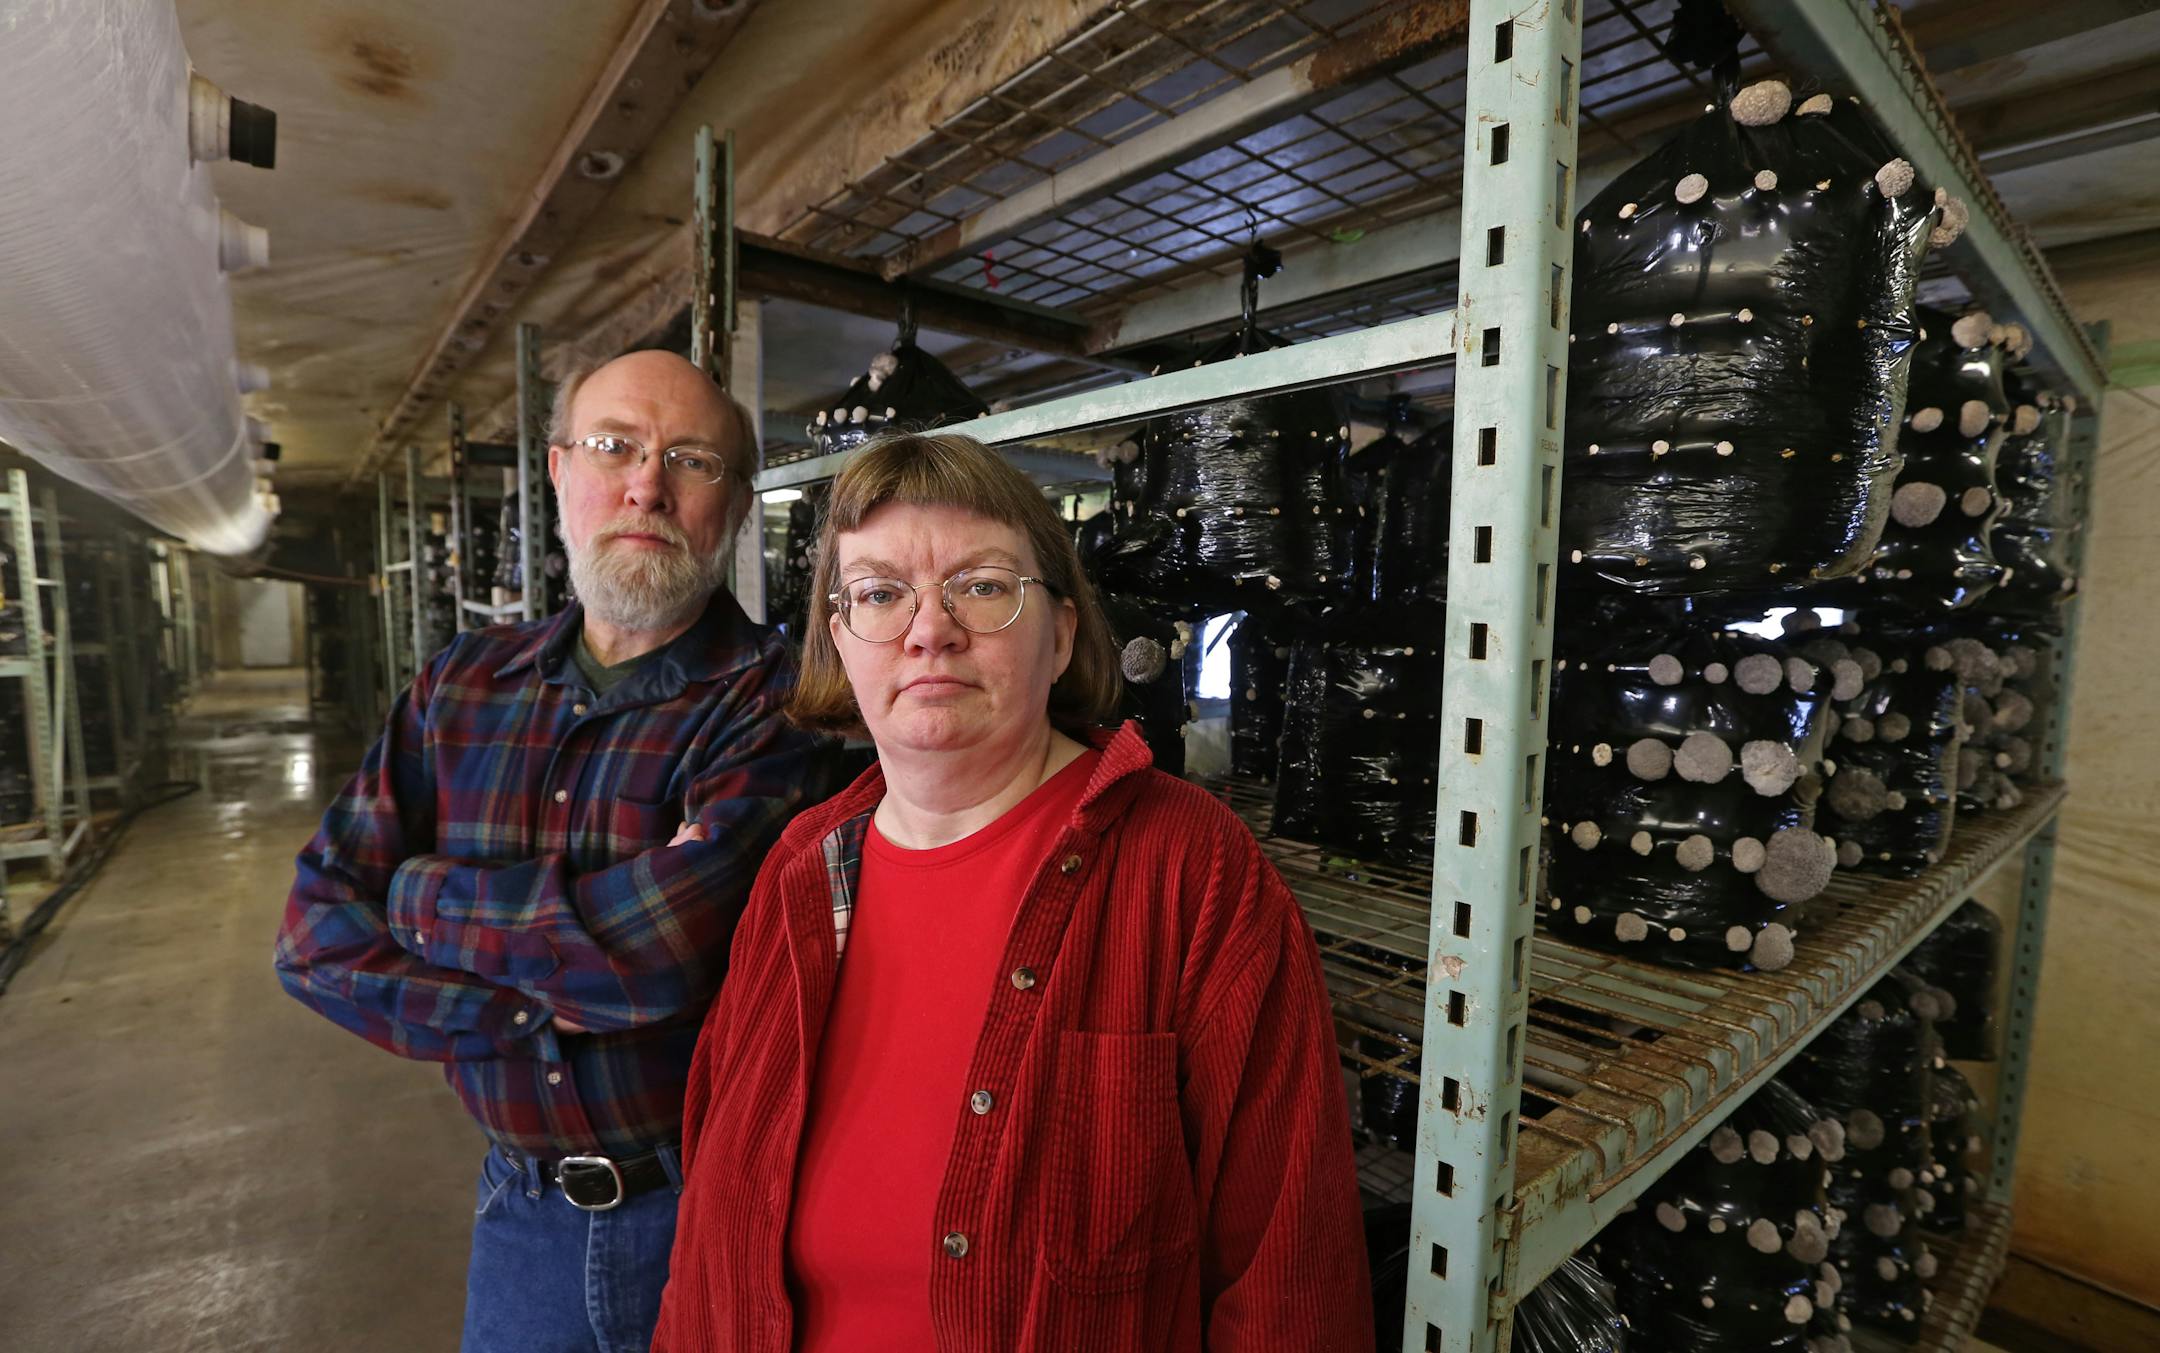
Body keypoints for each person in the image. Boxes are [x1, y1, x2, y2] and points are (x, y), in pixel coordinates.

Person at [652, 432, 1371, 1351]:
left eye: (983, 586)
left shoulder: (1191, 870)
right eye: (878, 593)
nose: (928, 629)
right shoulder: (803, 868)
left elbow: (1288, 1276)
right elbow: (712, 1229)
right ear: (841, 639)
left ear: (1063, 630)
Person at [275, 350, 839, 1353]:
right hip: (521, 1213)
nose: (646, 485)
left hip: (716, 1206)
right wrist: (543, 1007)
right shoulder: (463, 683)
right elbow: (315, 937)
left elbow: (662, 950)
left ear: (740, 503)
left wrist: (416, 898)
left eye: (692, 459)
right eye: (613, 445)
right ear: (557, 470)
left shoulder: (777, 705)